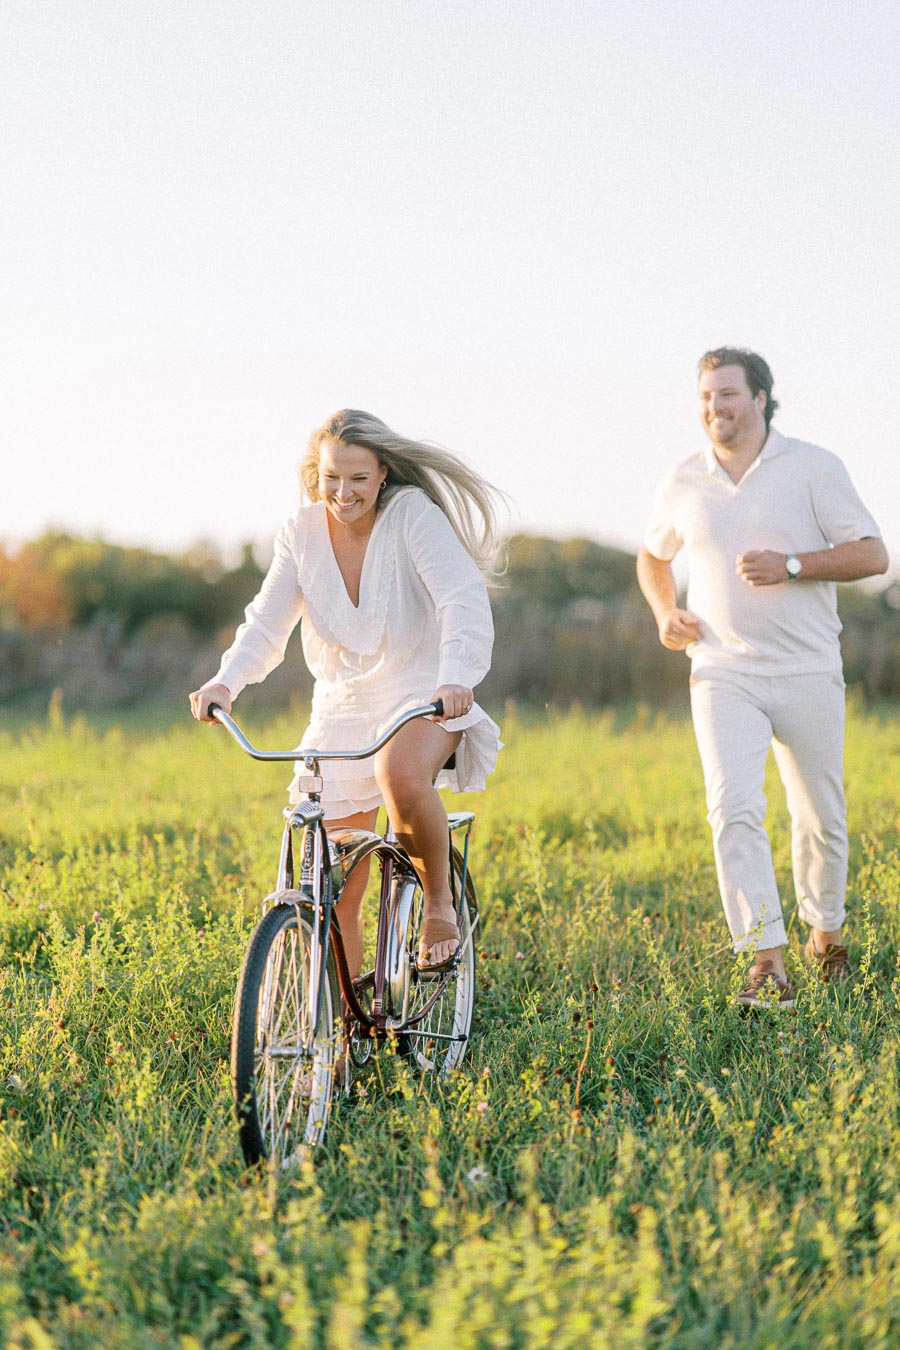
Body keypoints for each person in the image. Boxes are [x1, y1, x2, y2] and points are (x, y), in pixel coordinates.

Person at [190, 409, 503, 976]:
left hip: (424, 688)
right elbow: (266, 623)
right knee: (334, 888)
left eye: (358, 478)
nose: (343, 491)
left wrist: (456, 673)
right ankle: (331, 1039)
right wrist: (225, 681)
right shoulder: (301, 534)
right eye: (333, 477)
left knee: (399, 773)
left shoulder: (411, 515)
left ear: (383, 473)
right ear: (318, 472)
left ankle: (438, 904)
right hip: (341, 704)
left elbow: (460, 594)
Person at [637, 348, 889, 1007]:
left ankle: (825, 935)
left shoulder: (812, 467)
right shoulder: (684, 479)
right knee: (733, 807)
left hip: (807, 669)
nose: (713, 407)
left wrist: (795, 565)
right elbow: (652, 554)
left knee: (821, 820)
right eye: (704, 398)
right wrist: (666, 612)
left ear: (760, 398)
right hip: (722, 670)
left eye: (726, 394)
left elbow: (873, 552)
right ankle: (766, 962)